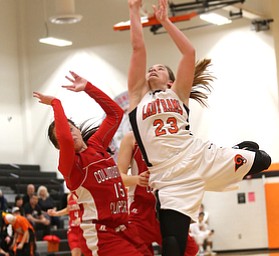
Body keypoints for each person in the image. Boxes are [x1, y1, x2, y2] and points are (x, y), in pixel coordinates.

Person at [127, 0, 272, 255]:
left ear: (171, 81)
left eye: (159, 68)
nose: (152, 69)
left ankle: (235, 150)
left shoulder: (178, 94)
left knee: (263, 159)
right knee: (174, 245)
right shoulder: (137, 98)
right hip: (169, 179)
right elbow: (138, 48)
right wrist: (133, 10)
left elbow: (189, 53)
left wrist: (165, 22)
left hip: (200, 156)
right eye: (151, 68)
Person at [33, 71, 151, 256]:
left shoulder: (97, 144)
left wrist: (88, 88)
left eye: (72, 129)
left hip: (124, 226)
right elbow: (64, 137)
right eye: (64, 135)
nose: (70, 134)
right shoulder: (71, 166)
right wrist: (56, 104)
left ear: (78, 130)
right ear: (60, 146)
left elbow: (115, 114)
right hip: (101, 233)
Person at [118, 131, 198, 256]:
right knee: (136, 251)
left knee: (189, 250)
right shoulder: (131, 137)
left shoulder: (176, 135)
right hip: (140, 210)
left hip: (168, 207)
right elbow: (119, 178)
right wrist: (137, 179)